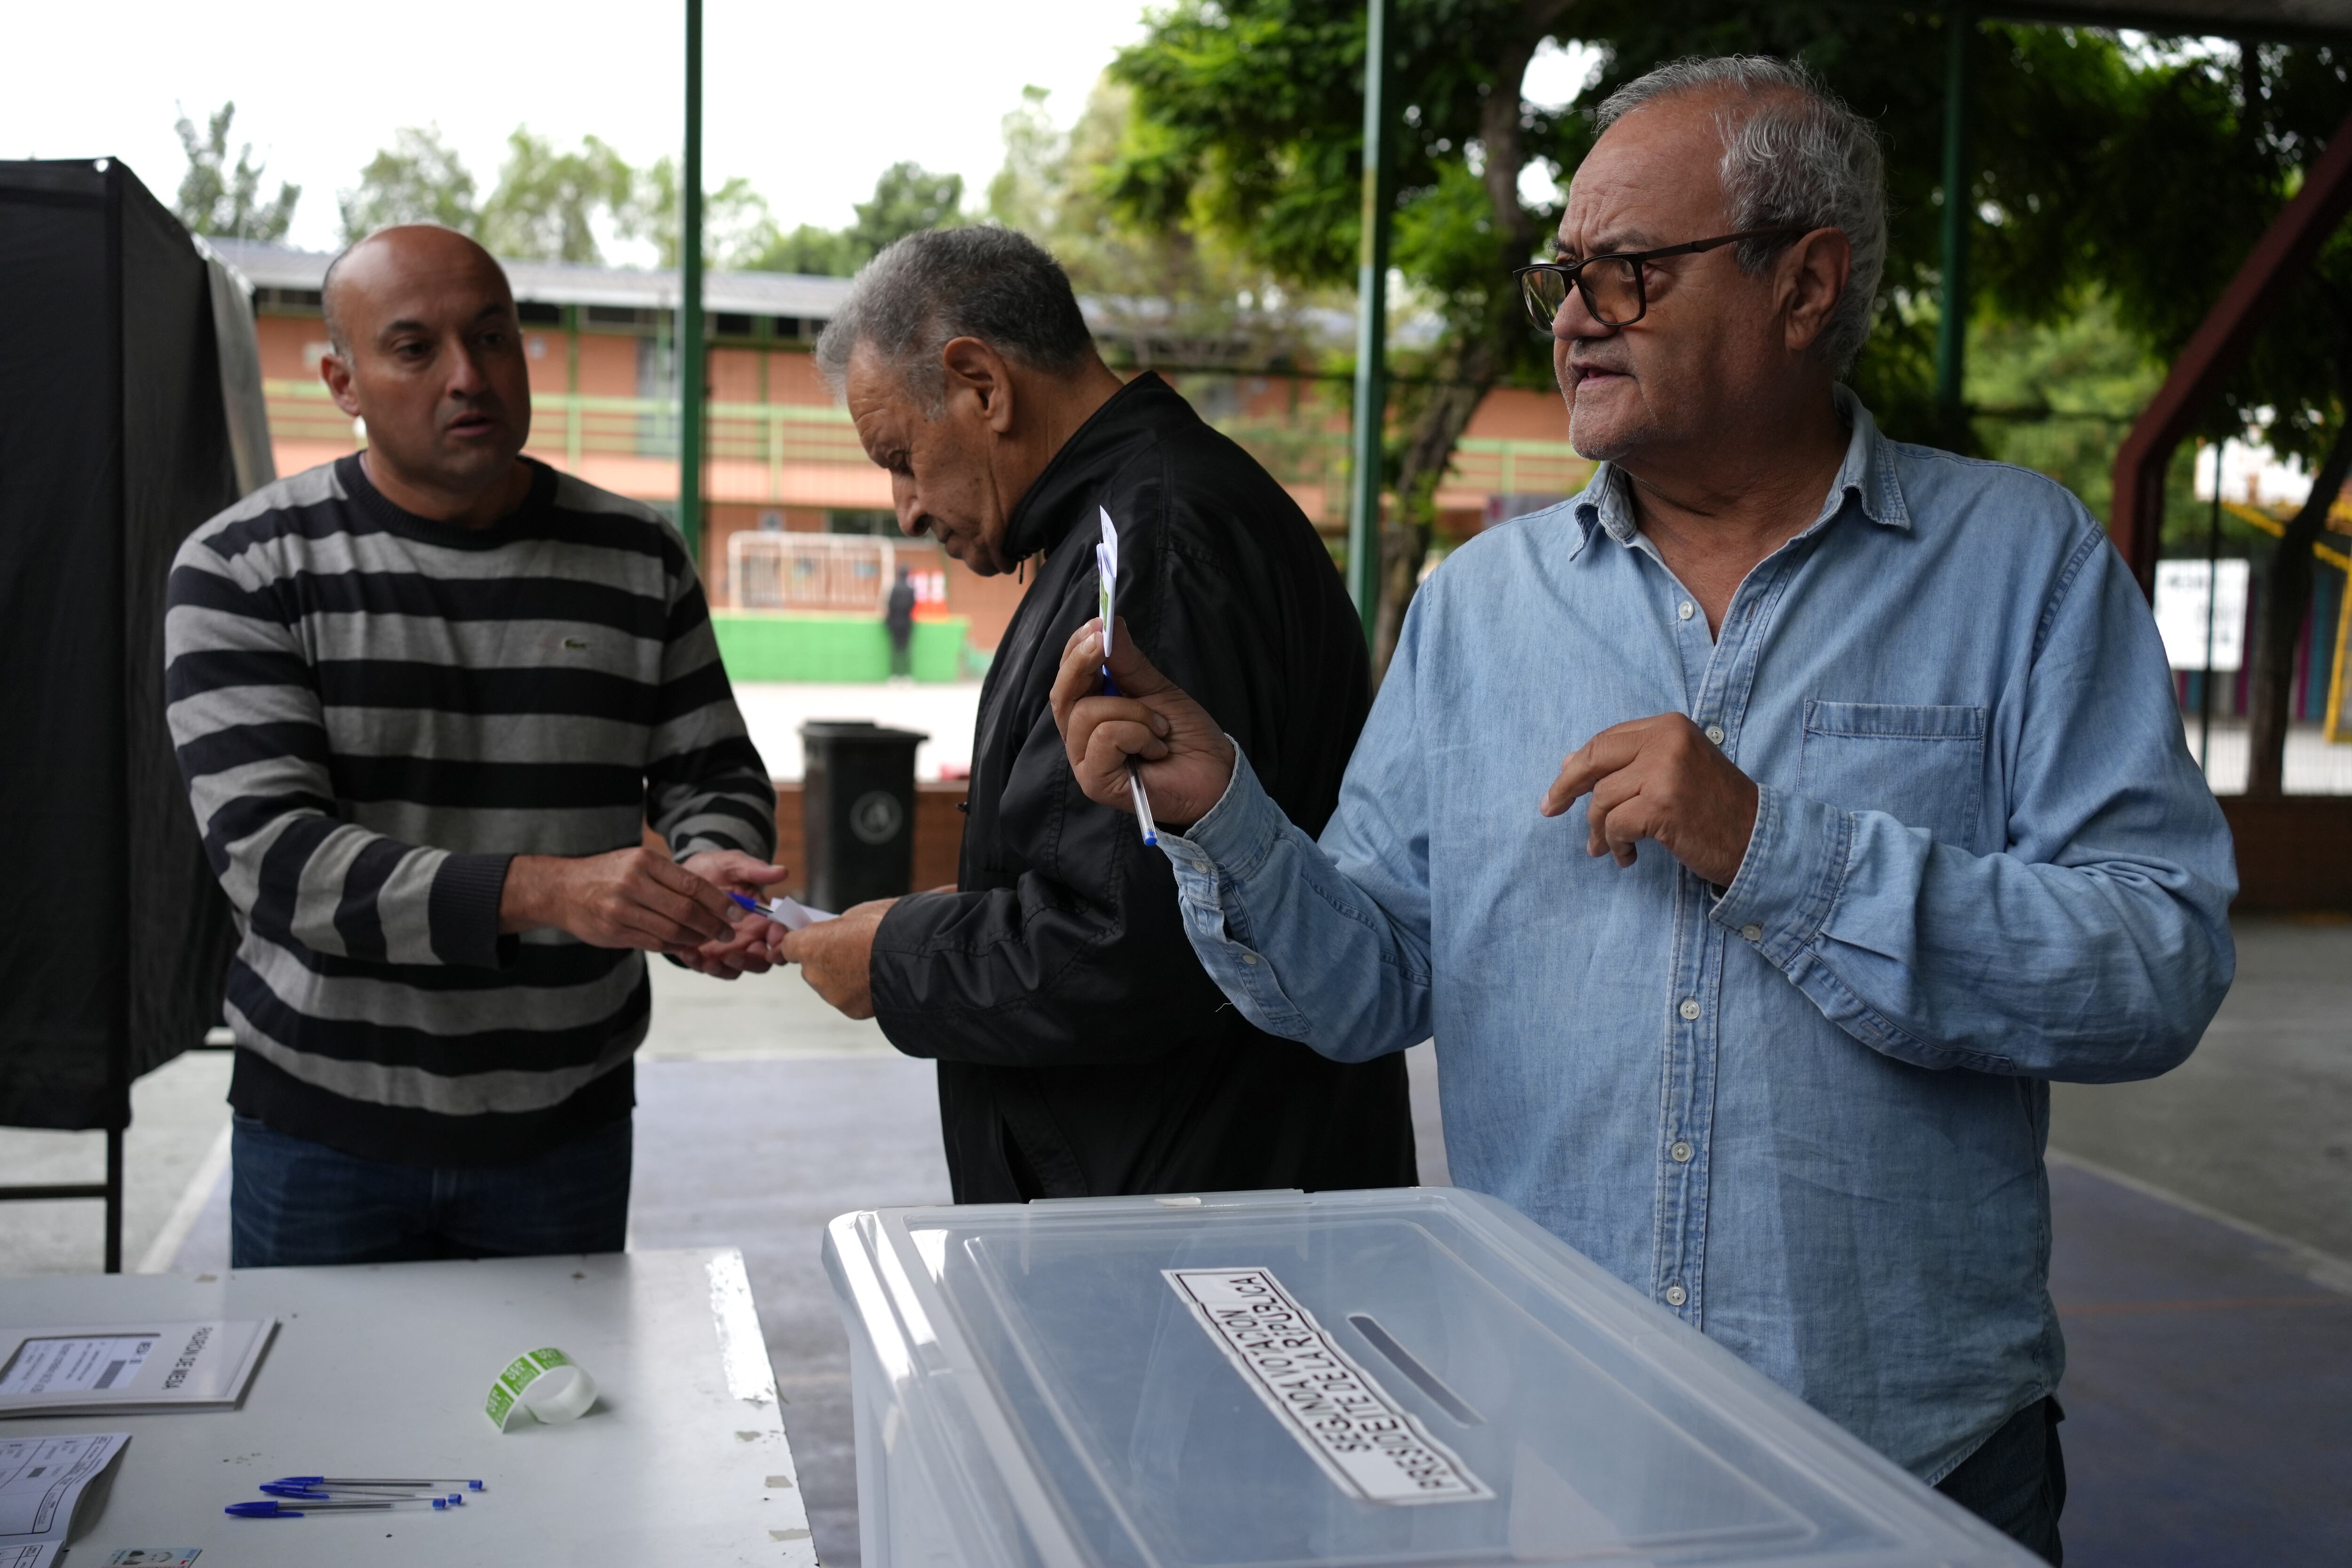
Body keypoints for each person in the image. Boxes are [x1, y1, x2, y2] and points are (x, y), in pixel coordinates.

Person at [1053, 56, 2236, 1563]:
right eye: (1562, 272)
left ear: (1803, 284)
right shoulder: (1479, 609)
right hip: (1551, 1456)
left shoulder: (2019, 567)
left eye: (1627, 269)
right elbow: (1363, 984)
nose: (1570, 313)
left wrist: (1770, 848)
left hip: (1908, 1467)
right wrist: (1220, 807)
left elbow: (2153, 966)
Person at [165, 225, 788, 1267]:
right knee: (321, 1430)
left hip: (565, 1128)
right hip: (323, 1128)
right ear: (342, 379)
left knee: (558, 1427)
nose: (469, 375)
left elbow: (712, 770)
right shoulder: (243, 570)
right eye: (414, 349)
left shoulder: (636, 555)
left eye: (494, 337)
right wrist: (545, 891)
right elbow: (275, 862)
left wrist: (713, 866)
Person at [774, 226, 1415, 1201]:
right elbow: (1117, 879)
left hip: (1191, 1215)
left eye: (899, 456)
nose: (903, 505)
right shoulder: (1126, 519)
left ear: (980, 384)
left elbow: (1136, 945)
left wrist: (898, 959)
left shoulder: (1150, 544)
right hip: (1187, 1181)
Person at [885, 565, 917, 680]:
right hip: (906, 623)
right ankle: (907, 675)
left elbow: (890, 605)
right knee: (906, 650)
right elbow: (913, 605)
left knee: (895, 650)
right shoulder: (910, 589)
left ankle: (894, 675)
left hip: (895, 623)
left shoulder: (895, 588)